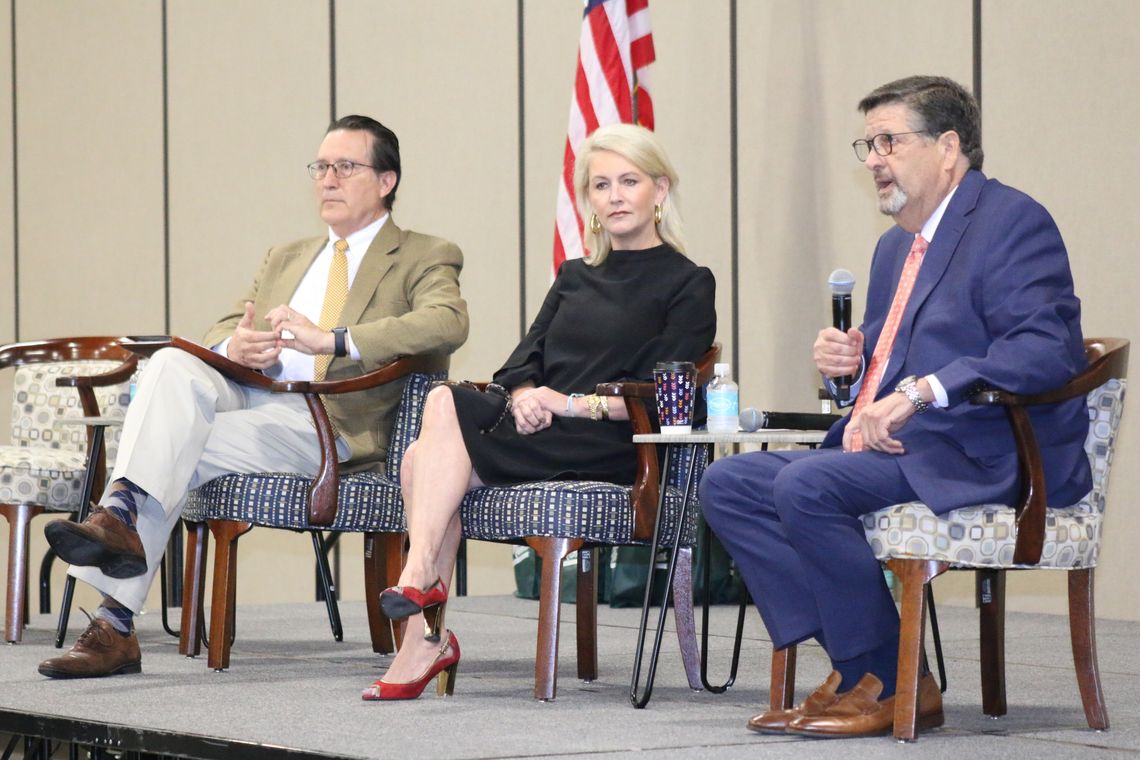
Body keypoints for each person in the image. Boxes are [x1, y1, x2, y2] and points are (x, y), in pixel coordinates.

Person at [700, 76, 1089, 738]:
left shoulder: (1011, 222)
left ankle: (886, 676)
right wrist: (854, 371)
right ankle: (861, 670)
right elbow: (890, 364)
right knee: (728, 483)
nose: (874, 158)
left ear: (947, 147)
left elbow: (1048, 348)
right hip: (900, 447)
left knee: (806, 484)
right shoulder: (894, 248)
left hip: (981, 447)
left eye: (889, 141)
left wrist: (924, 389)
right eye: (868, 144)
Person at [39, 114, 469, 679]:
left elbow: (446, 322)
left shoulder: (424, 253)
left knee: (173, 446)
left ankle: (114, 620)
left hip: (329, 421)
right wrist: (235, 344)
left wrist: (332, 339)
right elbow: (225, 321)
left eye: (345, 167)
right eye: (320, 167)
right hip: (250, 396)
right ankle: (118, 517)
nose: (328, 180)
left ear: (386, 180)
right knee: (172, 364)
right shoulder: (287, 255)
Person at [361, 123, 716, 701]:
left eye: (629, 181)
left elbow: (664, 391)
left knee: (426, 457)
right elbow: (518, 364)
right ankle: (421, 609)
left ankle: (419, 605)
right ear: (589, 201)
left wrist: (567, 402)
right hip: (538, 432)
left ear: (660, 189)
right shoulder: (576, 275)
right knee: (435, 429)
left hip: (613, 446)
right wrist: (527, 396)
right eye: (601, 185)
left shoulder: (688, 282)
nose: (616, 195)